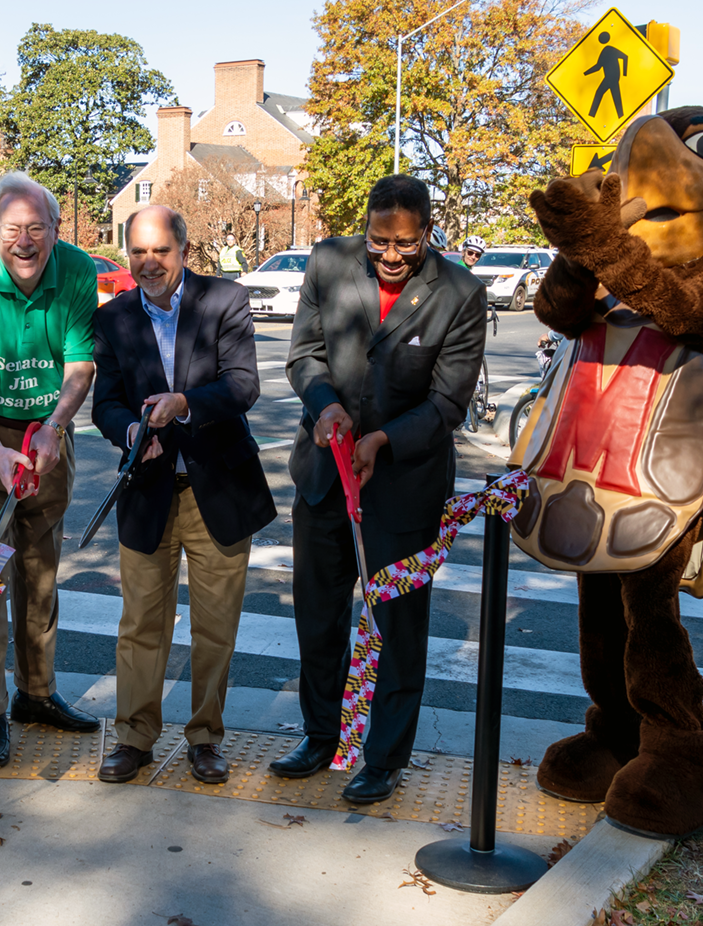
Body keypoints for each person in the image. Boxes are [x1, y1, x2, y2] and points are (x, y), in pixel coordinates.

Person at [271, 175, 486, 803]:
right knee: (319, 615)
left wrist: (382, 440)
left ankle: (383, 756)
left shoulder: (461, 294)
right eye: (379, 241)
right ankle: (320, 735)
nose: (391, 255)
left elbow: (448, 403)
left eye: (405, 243)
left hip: (403, 485)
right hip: (323, 476)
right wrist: (324, 406)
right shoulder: (328, 264)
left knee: (395, 624)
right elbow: (304, 355)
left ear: (427, 232)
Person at [90, 205, 277, 785]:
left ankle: (205, 738)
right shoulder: (114, 318)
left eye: (160, 252)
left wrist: (184, 404)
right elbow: (107, 401)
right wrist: (130, 431)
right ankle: (134, 738)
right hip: (147, 489)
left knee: (215, 626)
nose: (148, 263)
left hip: (217, 486)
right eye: (138, 252)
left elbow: (244, 384)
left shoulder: (224, 300)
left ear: (184, 252)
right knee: (141, 622)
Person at [0, 171, 99, 768]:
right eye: (13, 230)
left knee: (41, 575)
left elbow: (80, 366)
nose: (25, 241)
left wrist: (55, 427)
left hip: (47, 433)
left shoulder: (78, 272)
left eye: (38, 228)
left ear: (57, 230)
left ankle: (38, 693)